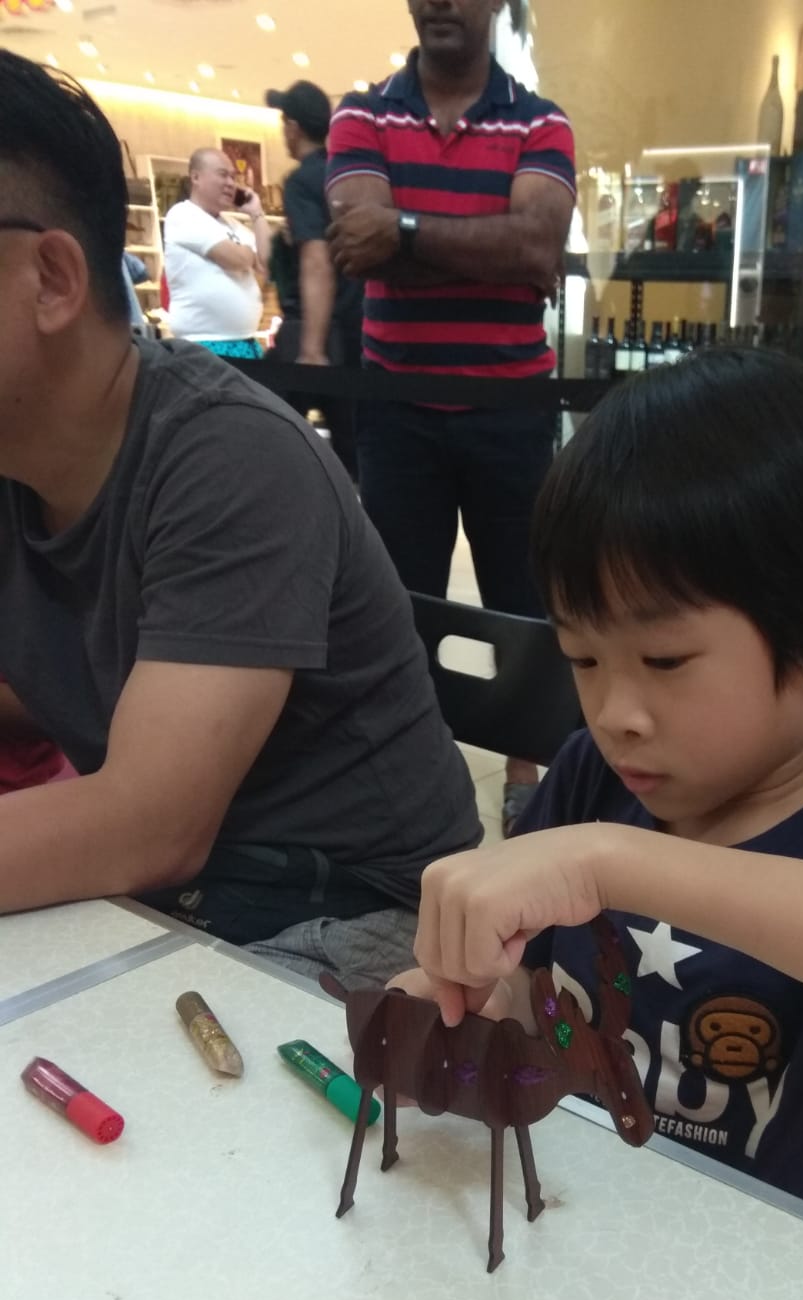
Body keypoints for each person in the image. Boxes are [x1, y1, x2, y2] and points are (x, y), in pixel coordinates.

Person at [393, 351, 803, 1228]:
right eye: (583, 658)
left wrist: (615, 863)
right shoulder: (593, 774)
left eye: (666, 660)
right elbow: (532, 986)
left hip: (775, 1252)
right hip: (583, 1211)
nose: (617, 715)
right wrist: (471, 1006)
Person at [0, 52, 481, 987]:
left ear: (52, 277)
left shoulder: (228, 455)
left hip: (352, 913)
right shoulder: (22, 459)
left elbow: (147, 826)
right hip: (187, 901)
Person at [326, 0, 576, 835]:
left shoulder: (541, 122)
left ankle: (526, 771)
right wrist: (489, 247)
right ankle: (410, 773)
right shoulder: (361, 114)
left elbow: (537, 247)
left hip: (511, 409)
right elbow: (356, 247)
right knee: (395, 608)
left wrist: (401, 232)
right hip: (397, 408)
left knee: (525, 604)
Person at [265, 78, 363, 476]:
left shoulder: (303, 181)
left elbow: (316, 260)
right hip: (357, 333)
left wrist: (311, 350)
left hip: (321, 332)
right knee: (353, 453)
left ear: (293, 128)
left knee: (272, 443)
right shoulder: (345, 175)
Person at [163, 147, 269, 357]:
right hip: (202, 346)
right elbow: (236, 259)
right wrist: (248, 254)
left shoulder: (234, 225)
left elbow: (267, 263)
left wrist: (257, 214)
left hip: (246, 341)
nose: (231, 183)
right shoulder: (183, 215)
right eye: (223, 175)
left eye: (233, 177)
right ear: (196, 177)